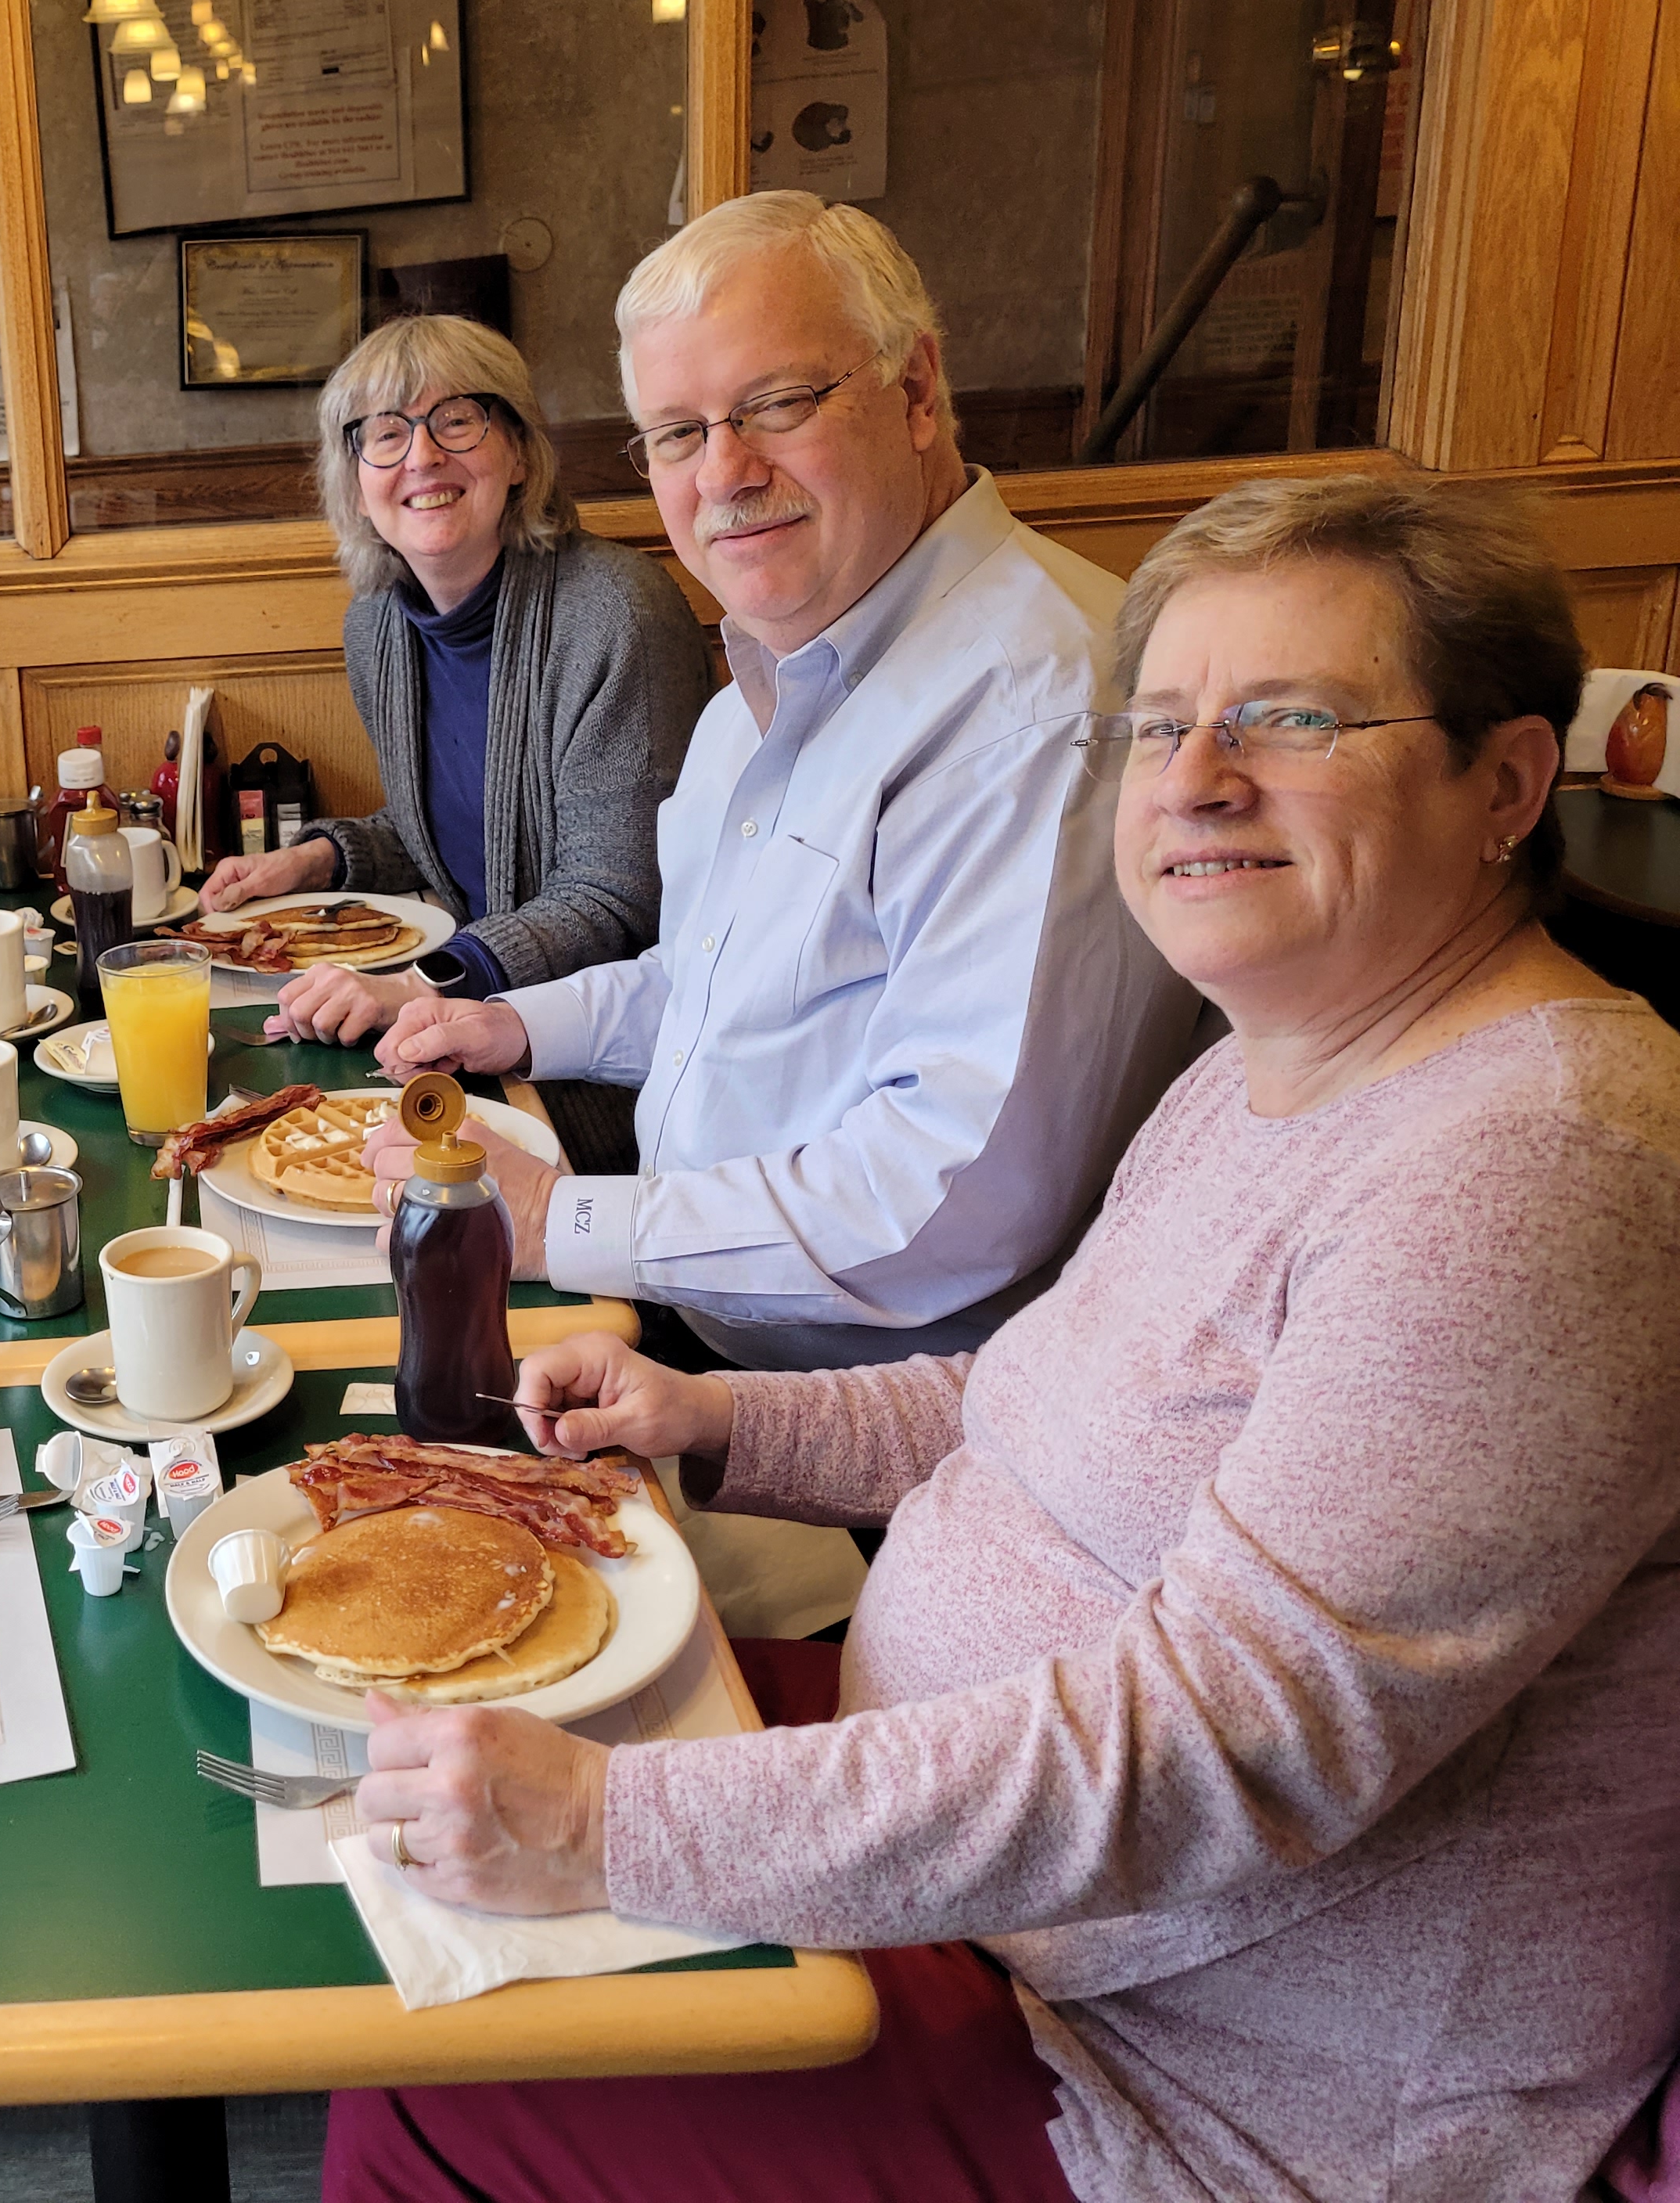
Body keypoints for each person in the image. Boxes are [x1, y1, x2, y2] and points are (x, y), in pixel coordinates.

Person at [327, 476, 1680, 2203]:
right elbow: (1037, 1397)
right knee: (396, 1715)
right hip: (1011, 1899)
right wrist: (719, 1417)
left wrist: (613, 1832)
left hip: (1192, 2085)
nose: (1194, 779)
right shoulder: (1282, 1054)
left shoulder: (1543, 1158)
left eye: (1293, 720)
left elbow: (1225, 1750)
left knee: (431, 2091)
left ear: (1505, 783)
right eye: (1166, 723)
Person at [367, 195, 1202, 1636]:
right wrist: (507, 1015)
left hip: (903, 1475)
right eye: (679, 434)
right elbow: (702, 984)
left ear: (917, 389)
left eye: (775, 404)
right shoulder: (786, 653)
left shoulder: (1035, 692)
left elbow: (952, 1200)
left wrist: (561, 1218)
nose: (725, 471)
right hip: (700, 1353)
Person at [197, 315, 709, 1179]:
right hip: (469, 1036)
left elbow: (617, 897)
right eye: (385, 435)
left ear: (518, 454)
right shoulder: (377, 627)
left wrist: (424, 984)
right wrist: (317, 860)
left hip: (609, 1077)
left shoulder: (615, 614)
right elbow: (461, 822)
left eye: (457, 421)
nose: (423, 458)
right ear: (356, 483)